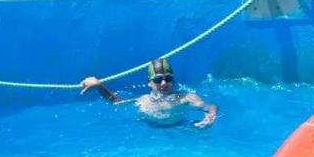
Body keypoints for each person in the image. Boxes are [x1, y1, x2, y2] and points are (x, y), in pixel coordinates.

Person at [80, 57, 217, 128]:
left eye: (168, 78)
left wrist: (209, 118)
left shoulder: (186, 97)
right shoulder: (143, 100)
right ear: (149, 83)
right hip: (150, 130)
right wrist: (99, 86)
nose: (163, 83)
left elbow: (210, 107)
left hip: (181, 128)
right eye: (158, 79)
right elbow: (116, 103)